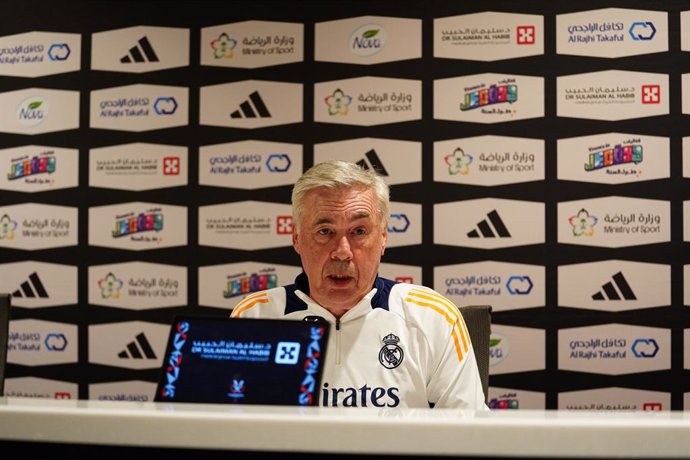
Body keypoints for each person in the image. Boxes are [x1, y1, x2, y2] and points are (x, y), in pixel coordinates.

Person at [231, 160, 488, 409]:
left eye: (359, 231)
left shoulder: (432, 317)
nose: (342, 252)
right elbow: (228, 430)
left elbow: (470, 433)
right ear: (297, 238)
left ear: (384, 237)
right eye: (325, 232)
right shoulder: (254, 318)